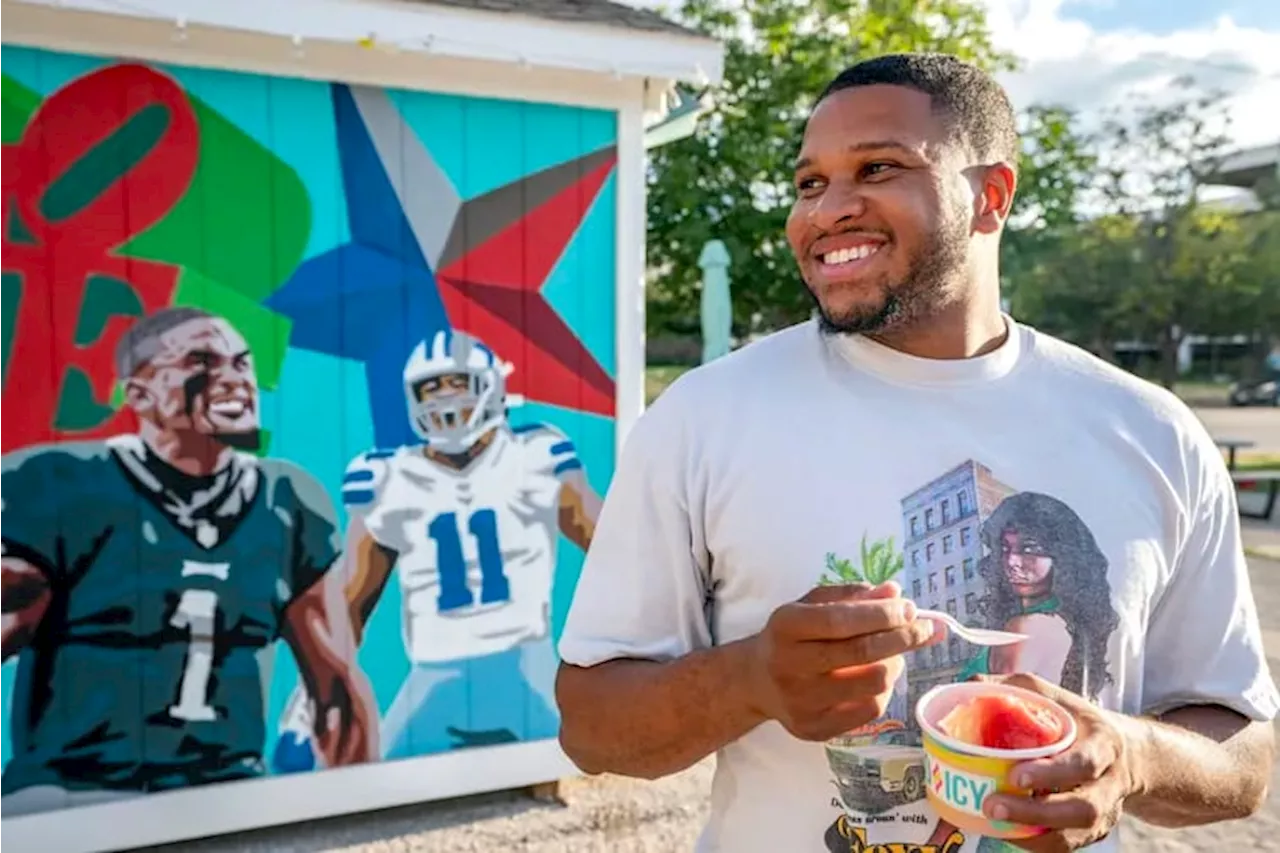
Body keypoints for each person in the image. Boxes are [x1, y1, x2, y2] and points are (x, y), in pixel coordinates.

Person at [555, 52, 1278, 853]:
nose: (827, 210)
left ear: (990, 196)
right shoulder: (704, 416)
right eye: (809, 183)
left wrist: (1132, 756)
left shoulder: (1153, 432)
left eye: (878, 167)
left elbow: (1244, 756)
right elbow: (591, 727)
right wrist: (750, 678)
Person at [0, 306, 378, 818]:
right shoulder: (66, 489)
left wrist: (358, 816)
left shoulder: (286, 501)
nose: (233, 379)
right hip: (75, 791)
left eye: (242, 364)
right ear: (140, 394)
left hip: (228, 787)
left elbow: (335, 690)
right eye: (202, 362)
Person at [273, 328, 601, 767]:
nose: (445, 401)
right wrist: (304, 710)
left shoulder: (535, 455)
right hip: (435, 674)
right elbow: (349, 603)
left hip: (525, 665)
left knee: (589, 762)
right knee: (378, 783)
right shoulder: (389, 478)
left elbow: (609, 546)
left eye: (458, 385)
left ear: (490, 387)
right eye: (431, 389)